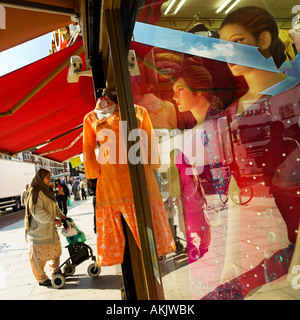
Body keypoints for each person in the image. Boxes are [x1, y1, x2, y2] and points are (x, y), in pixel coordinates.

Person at [203, 6, 297, 299]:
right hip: (247, 224)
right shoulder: (232, 112)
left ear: (264, 39)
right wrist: (229, 260)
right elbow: (235, 182)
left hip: (287, 228)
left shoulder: (292, 96)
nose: (228, 52)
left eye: (238, 41)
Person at [24, 168, 66, 286]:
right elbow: (37, 212)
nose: (49, 179)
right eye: (47, 177)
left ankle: (54, 272)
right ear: (40, 177)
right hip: (39, 231)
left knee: (55, 252)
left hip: (50, 230)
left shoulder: (47, 189)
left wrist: (61, 216)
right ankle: (41, 278)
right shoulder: (34, 191)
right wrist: (53, 219)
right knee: (38, 258)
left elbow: (54, 206)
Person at [262, 121, 300, 244]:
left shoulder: (268, 148)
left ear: (271, 131)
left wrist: (269, 184)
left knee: (289, 218)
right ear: (283, 130)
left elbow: (267, 171)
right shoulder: (293, 143)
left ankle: (294, 240)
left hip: (281, 190)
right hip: (298, 185)